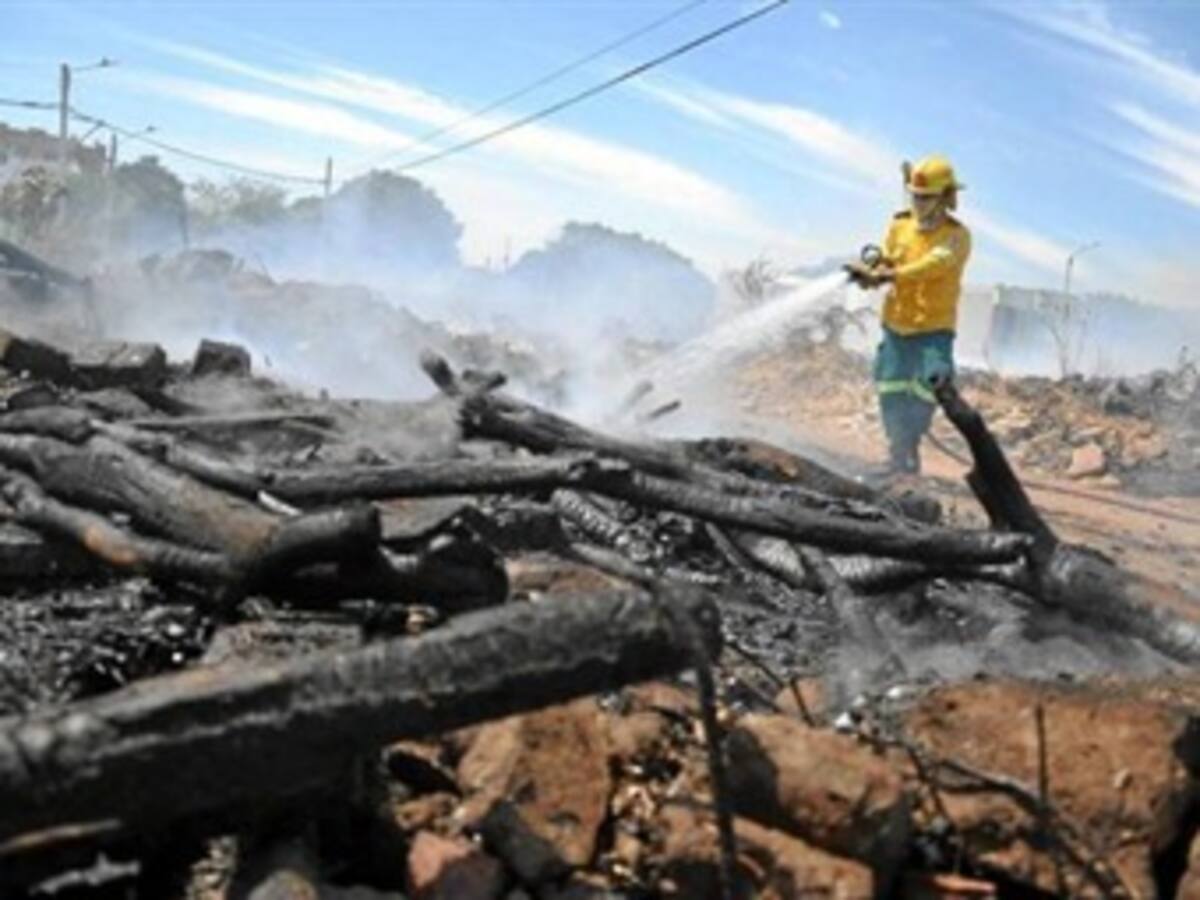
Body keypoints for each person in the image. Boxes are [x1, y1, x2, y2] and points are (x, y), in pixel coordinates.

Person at [845, 155, 972, 476]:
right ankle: (899, 455)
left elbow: (934, 265)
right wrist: (872, 269)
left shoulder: (956, 236)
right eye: (915, 194)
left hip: (933, 329)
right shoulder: (899, 225)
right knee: (890, 387)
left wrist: (889, 276)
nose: (918, 201)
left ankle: (911, 442)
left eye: (926, 196)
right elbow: (889, 258)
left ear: (945, 197)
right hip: (897, 326)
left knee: (931, 382)